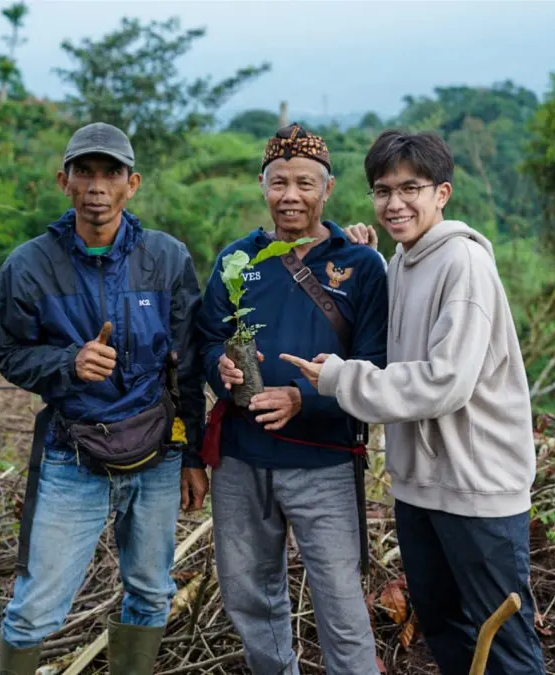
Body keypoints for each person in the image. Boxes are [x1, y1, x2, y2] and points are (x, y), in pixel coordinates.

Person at [283, 130, 543, 675]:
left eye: (410, 189)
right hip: (421, 487)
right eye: (382, 191)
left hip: (477, 488)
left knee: (506, 643)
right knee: (445, 627)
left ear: (442, 193)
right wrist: (368, 256)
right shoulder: (402, 261)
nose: (394, 203)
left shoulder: (463, 265)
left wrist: (340, 378)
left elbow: (445, 382)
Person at [0, 122, 205, 675]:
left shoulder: (166, 258)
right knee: (34, 610)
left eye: (111, 173)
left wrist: (194, 454)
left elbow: (188, 362)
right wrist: (69, 363)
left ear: (132, 184)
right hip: (73, 455)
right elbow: (10, 353)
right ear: (64, 181)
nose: (97, 185)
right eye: (84, 172)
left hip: (157, 454)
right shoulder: (30, 264)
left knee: (152, 591)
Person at [195, 123, 388, 675]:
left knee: (340, 604)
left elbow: (375, 367)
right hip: (241, 458)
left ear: (327, 189)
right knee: (250, 595)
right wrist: (220, 367)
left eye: (305, 183)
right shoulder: (238, 260)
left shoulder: (361, 266)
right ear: (262, 185)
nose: (290, 195)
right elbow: (208, 337)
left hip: (323, 459)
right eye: (278, 182)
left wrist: (305, 398)